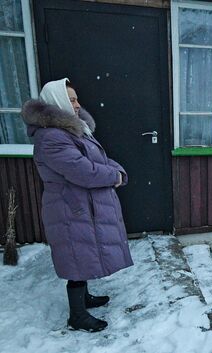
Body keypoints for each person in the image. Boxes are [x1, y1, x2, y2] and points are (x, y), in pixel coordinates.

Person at [21, 78, 133, 332]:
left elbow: (99, 159)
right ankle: (77, 316)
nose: (77, 104)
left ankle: (84, 299)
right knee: (76, 255)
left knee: (82, 254)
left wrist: (118, 170)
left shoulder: (72, 130)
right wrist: (113, 176)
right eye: (71, 99)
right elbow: (83, 171)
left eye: (76, 98)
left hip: (78, 205)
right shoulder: (51, 137)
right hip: (69, 208)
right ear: (57, 102)